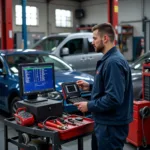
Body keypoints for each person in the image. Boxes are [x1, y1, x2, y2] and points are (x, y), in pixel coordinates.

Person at [74, 23, 133, 150]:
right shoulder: (110, 59)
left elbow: (113, 98)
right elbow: (110, 86)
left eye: (95, 38)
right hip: (105, 123)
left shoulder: (113, 62)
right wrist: (90, 86)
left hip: (110, 127)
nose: (92, 42)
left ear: (105, 38)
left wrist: (88, 106)